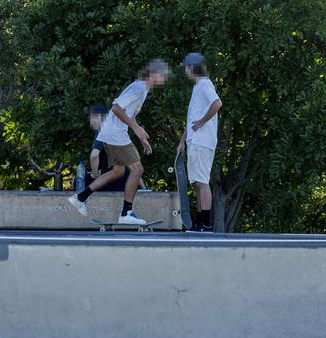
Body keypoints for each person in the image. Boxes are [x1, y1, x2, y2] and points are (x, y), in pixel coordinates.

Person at [68, 59, 170, 224]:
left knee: (118, 172)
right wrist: (135, 129)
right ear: (154, 74)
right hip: (115, 134)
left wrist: (141, 137)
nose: (163, 80)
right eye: (162, 76)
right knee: (137, 170)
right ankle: (126, 213)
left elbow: (128, 115)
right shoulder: (140, 87)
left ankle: (80, 197)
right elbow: (116, 108)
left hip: (111, 132)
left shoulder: (141, 88)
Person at [177, 53, 222, 232]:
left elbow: (217, 103)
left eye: (186, 67)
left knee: (201, 181)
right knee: (196, 182)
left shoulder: (204, 83)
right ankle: (199, 221)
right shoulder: (198, 86)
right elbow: (191, 119)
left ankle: (206, 224)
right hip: (194, 142)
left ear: (192, 67)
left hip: (203, 141)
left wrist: (203, 122)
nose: (185, 71)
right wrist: (182, 142)